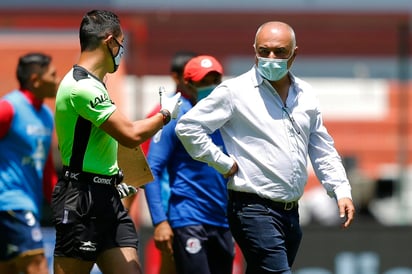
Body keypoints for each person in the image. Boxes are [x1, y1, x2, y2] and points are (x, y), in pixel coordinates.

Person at [175, 21, 356, 274]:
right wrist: (221, 162)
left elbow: (321, 146)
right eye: (264, 50)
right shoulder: (234, 91)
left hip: (291, 212)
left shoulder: (306, 93)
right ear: (255, 51)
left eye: (280, 51)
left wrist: (340, 189)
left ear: (295, 53)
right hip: (252, 208)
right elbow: (188, 127)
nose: (271, 58)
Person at [51, 10, 181, 274]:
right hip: (81, 200)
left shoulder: (97, 84)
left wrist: (115, 176)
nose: (122, 51)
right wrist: (165, 114)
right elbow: (130, 134)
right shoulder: (81, 87)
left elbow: (103, 143)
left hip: (108, 198)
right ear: (110, 42)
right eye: (121, 44)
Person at [145, 55, 235, 274]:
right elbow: (152, 169)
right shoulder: (175, 117)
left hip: (223, 221)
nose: (210, 87)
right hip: (188, 217)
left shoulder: (228, 118)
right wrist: (159, 221)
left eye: (215, 80)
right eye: (204, 81)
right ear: (188, 84)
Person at [138, 50, 197, 274]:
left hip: (200, 211)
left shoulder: (206, 112)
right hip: (170, 213)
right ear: (176, 77)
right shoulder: (159, 115)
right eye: (188, 76)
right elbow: (142, 169)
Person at [0, 53, 59, 274]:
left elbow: (46, 169)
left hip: (26, 206)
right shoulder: (9, 108)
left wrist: (59, 205)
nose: (58, 80)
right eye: (53, 75)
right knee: (38, 265)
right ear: (35, 79)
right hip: (11, 204)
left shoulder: (46, 115)